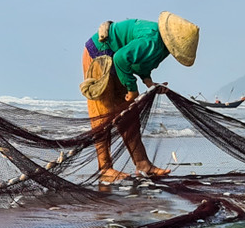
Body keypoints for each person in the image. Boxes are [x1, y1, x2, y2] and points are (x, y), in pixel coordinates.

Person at [79, 12, 199, 182]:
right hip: (99, 54)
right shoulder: (152, 40)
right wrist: (132, 89)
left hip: (116, 61)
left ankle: (142, 164)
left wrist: (149, 82)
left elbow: (138, 62)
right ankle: (105, 168)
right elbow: (121, 58)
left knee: (129, 114)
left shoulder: (160, 46)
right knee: (103, 114)